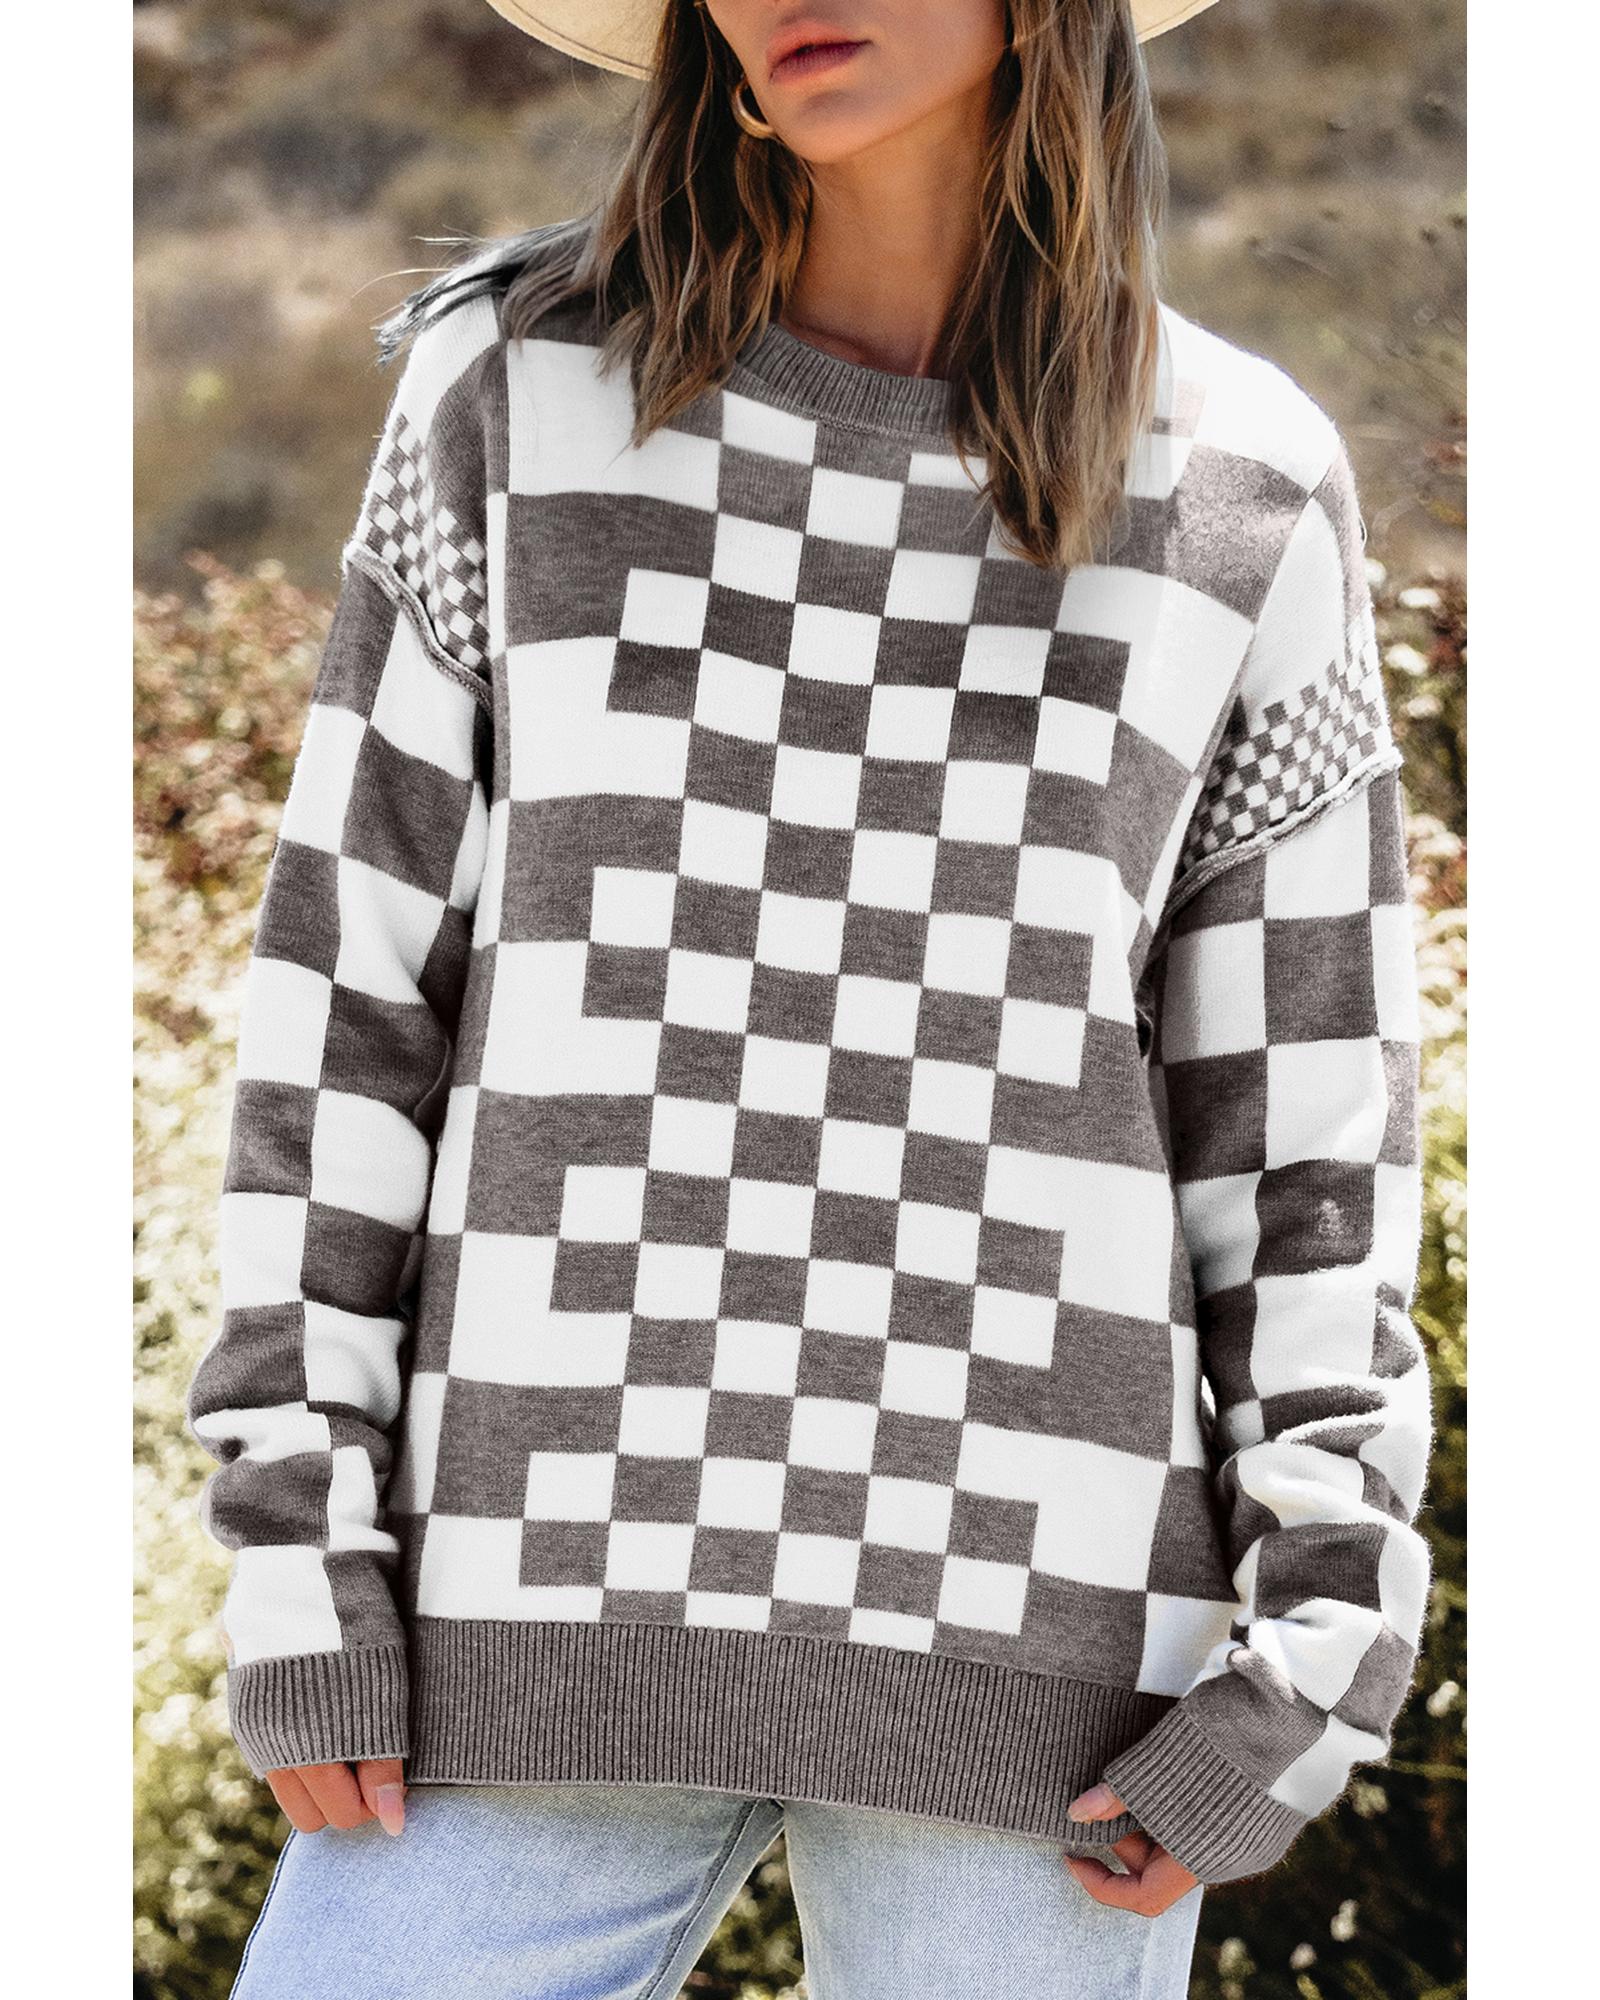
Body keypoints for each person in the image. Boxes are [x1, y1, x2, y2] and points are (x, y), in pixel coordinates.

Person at [185, 3, 1435, 1994]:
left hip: (1054, 1689)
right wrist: (297, 1543)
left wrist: (1316, 1653)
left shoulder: (1245, 491)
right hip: (525, 1614)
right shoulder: (512, 400)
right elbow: (344, 1011)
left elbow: (1305, 1140)